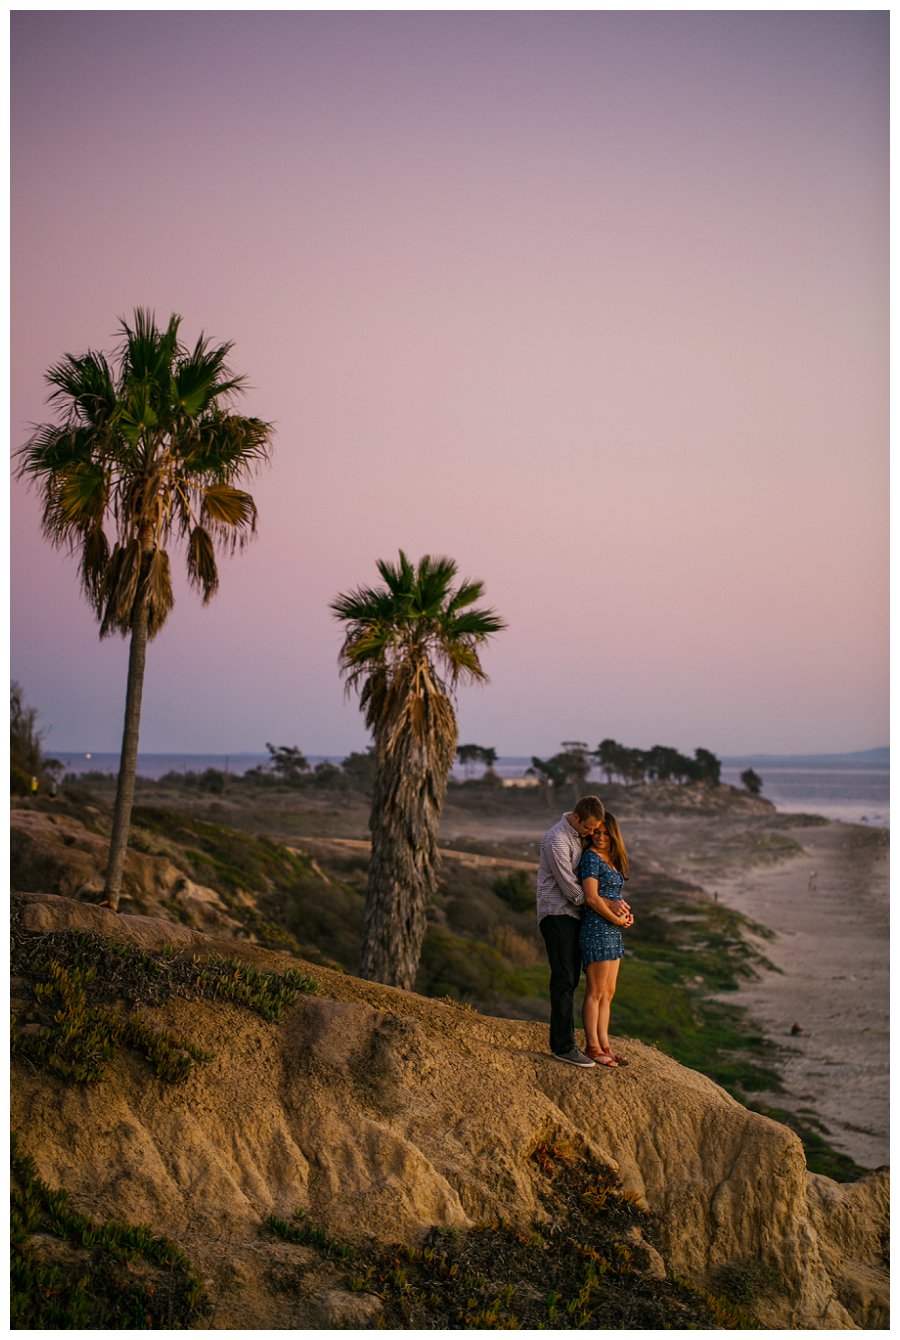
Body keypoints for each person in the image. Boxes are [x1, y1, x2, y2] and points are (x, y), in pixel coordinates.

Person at [536, 796, 630, 1066]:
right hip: (557, 913)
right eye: (589, 829)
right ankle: (563, 1047)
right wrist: (605, 904)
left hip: (577, 916)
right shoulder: (557, 840)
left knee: (577, 981)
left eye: (598, 830)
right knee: (565, 979)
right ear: (577, 818)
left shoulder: (578, 833)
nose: (591, 835)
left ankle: (591, 1043)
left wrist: (615, 905)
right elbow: (572, 890)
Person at [579, 812, 633, 1068]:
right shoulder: (590, 858)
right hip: (597, 928)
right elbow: (591, 897)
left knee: (609, 993)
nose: (600, 837)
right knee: (596, 992)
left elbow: (612, 896)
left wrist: (624, 913)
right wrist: (616, 918)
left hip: (613, 928)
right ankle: (592, 1047)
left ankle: (605, 1045)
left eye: (605, 832)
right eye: (596, 832)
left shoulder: (612, 859)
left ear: (613, 833)